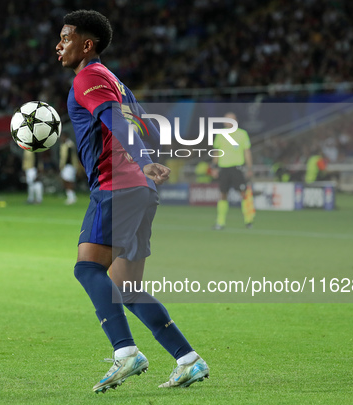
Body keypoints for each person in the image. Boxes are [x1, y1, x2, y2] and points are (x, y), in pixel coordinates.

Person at [56, 10, 209, 393]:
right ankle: (188, 359)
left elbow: (118, 123)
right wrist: (148, 160)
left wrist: (142, 160)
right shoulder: (116, 81)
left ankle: (125, 353)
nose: (58, 45)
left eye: (65, 37)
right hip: (140, 190)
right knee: (126, 288)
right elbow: (148, 127)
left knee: (87, 269)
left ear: (86, 44)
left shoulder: (89, 77)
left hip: (116, 186)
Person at [211, 112, 254, 229]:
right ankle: (220, 222)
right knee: (223, 194)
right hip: (223, 168)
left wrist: (249, 168)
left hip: (237, 168)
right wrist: (214, 167)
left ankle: (248, 220)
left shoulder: (242, 134)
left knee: (243, 193)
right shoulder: (220, 135)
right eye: (226, 120)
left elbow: (247, 151)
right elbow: (216, 152)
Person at [59, 133, 78, 204]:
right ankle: (71, 196)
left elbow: (69, 157)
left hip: (69, 166)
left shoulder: (69, 145)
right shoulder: (64, 145)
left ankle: (72, 197)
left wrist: (63, 166)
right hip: (67, 166)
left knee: (68, 181)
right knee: (66, 180)